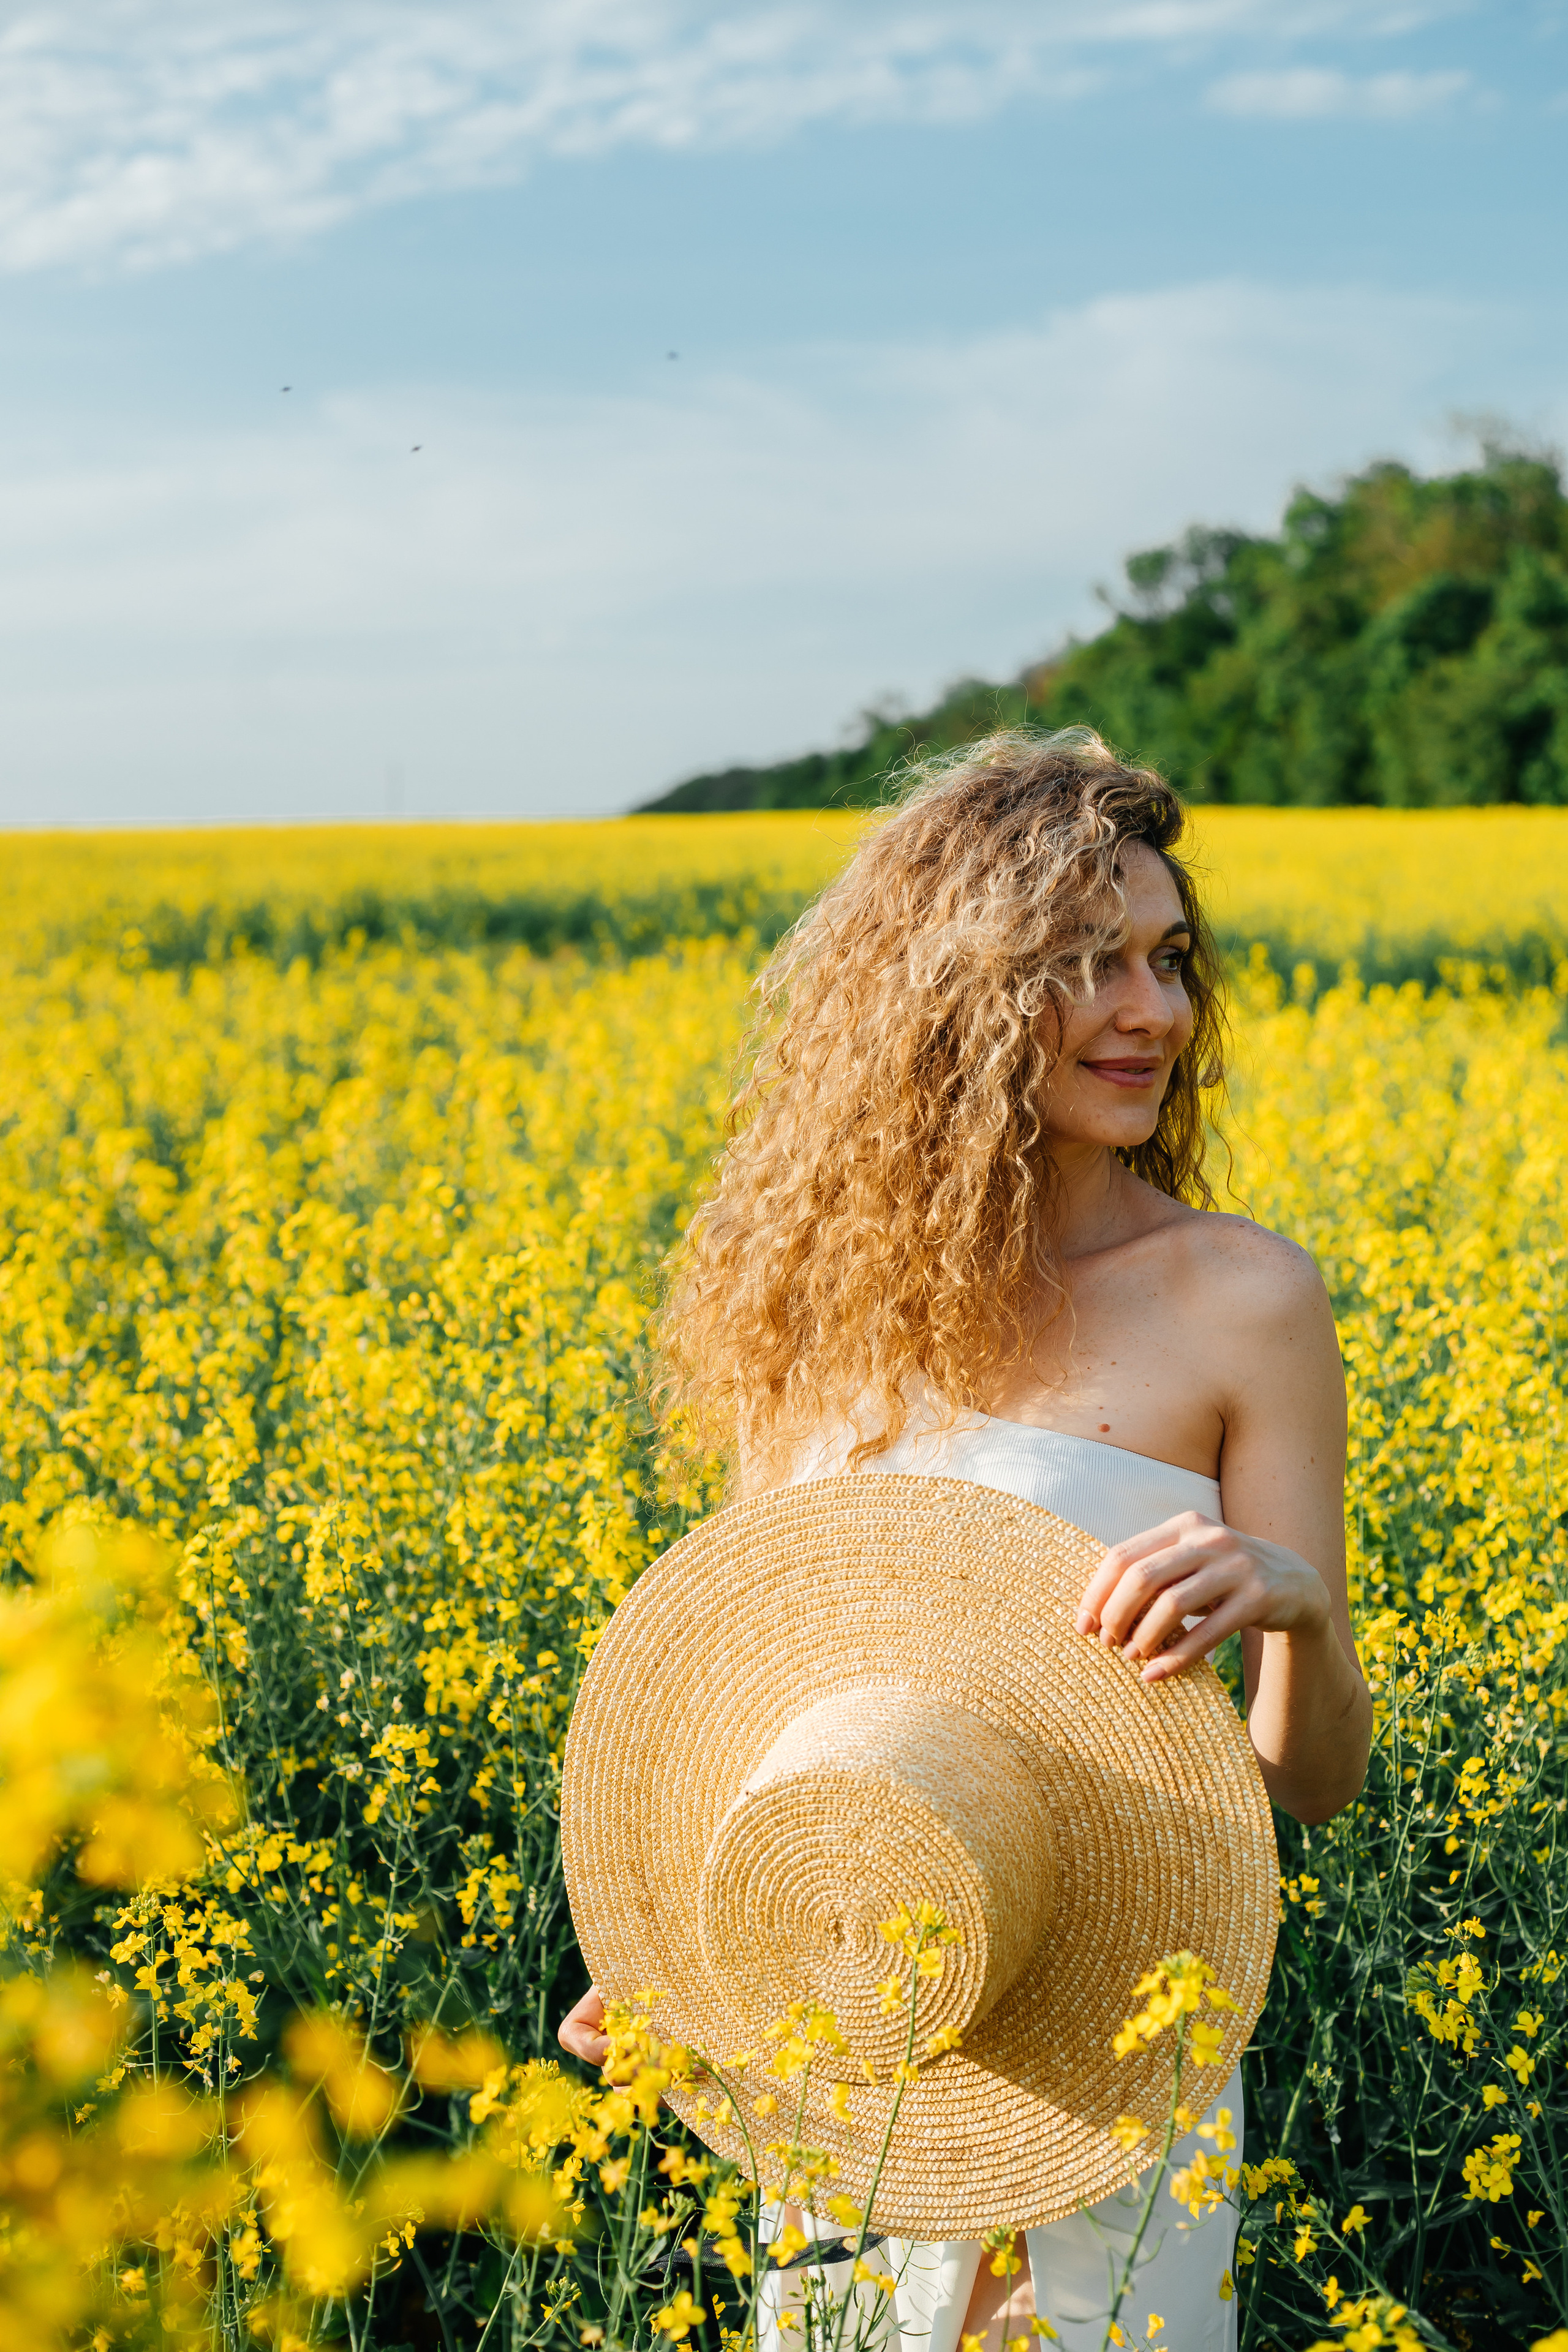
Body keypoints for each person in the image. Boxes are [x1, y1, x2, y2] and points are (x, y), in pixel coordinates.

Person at [560, 728, 1371, 2351]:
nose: (1156, 1013)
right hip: (848, 2027)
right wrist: (669, 1943)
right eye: (1087, 965)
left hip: (1119, 2021)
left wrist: (1294, 1614)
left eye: (1168, 959)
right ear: (955, 994)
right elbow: (757, 1702)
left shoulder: (1243, 1300)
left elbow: (1312, 1781)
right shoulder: (812, 1312)